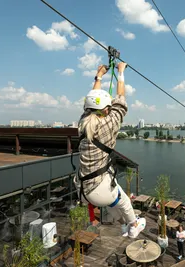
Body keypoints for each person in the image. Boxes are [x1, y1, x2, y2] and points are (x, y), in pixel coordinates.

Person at [73, 62, 145, 238]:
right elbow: (120, 97)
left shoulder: (83, 123)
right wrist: (120, 71)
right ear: (106, 110)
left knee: (113, 203)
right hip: (98, 190)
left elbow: (92, 99)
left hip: (82, 189)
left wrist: (99, 76)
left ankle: (123, 226)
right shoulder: (109, 123)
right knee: (125, 202)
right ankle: (134, 226)